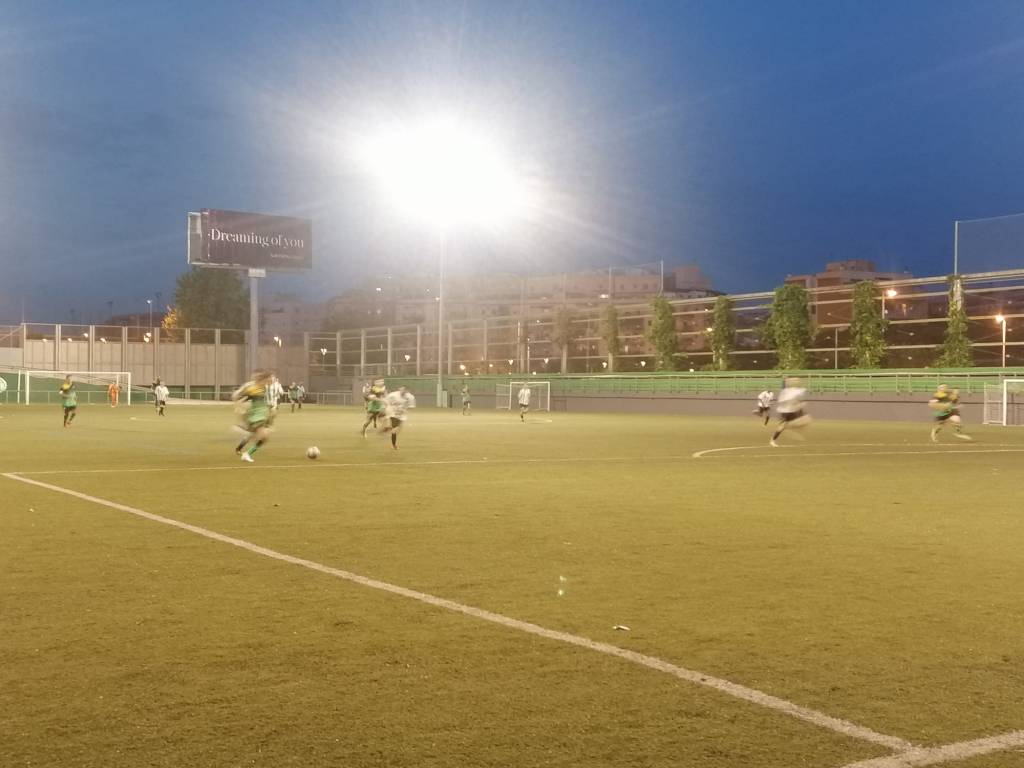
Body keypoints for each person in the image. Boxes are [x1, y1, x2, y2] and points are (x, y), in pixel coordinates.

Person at [233, 370, 274, 462]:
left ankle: (242, 447)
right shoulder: (251, 388)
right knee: (264, 437)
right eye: (270, 379)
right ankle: (246, 454)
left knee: (254, 436)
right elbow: (238, 396)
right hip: (256, 417)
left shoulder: (264, 388)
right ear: (265, 379)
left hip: (261, 416)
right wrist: (238, 407)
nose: (271, 381)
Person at [770, 377, 811, 447]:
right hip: (785, 411)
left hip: (792, 410)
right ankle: (772, 440)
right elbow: (783, 401)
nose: (796, 381)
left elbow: (799, 396)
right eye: (793, 381)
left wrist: (799, 404)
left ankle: (785, 426)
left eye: (796, 380)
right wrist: (797, 404)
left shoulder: (797, 390)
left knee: (806, 420)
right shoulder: (786, 391)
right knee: (782, 426)